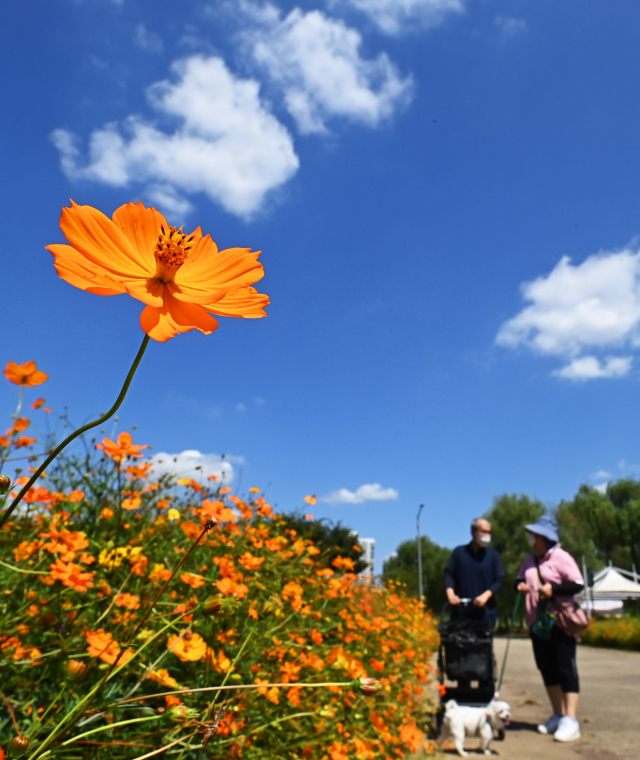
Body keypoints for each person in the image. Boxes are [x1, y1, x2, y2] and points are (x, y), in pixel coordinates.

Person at [516, 515, 584, 743]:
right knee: (546, 667)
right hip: (538, 621)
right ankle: (557, 714)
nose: (531, 540)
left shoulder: (562, 558)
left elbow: (578, 583)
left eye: (534, 536)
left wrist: (553, 590)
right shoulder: (529, 560)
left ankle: (571, 719)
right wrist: (521, 586)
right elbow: (518, 580)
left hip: (560, 620)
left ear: (545, 538)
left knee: (565, 666)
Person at [444, 517, 505, 630]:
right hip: (461, 612)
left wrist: (485, 596)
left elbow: (500, 580)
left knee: (483, 647)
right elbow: (448, 573)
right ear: (473, 532)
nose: (487, 536)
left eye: (489, 532)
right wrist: (451, 594)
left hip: (485, 613)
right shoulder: (459, 553)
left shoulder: (493, 556)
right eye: (483, 532)